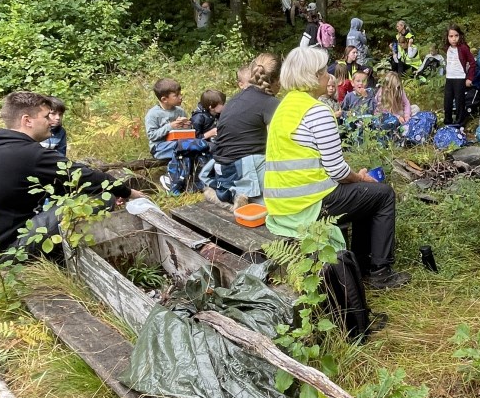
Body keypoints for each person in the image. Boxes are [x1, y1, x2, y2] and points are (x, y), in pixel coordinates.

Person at [264, 46, 408, 289]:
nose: (329, 76)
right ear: (311, 77)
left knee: (366, 196)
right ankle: (380, 272)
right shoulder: (317, 111)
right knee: (383, 195)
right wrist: (360, 177)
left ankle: (361, 265)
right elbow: (337, 171)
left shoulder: (285, 106)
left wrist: (357, 181)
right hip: (309, 204)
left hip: (281, 204)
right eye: (323, 72)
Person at [0, 91, 131, 260]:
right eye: (46, 116)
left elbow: (61, 181)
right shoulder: (30, 153)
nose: (51, 121)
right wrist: (127, 192)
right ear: (27, 120)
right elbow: (84, 176)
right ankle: (71, 257)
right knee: (101, 198)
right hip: (6, 250)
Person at [206, 53, 281, 204]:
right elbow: (279, 142)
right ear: (278, 80)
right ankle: (252, 197)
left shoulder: (235, 100)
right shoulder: (271, 103)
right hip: (247, 166)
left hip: (223, 170)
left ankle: (237, 194)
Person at [441, 24, 478, 127]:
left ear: (460, 36)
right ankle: (447, 122)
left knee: (459, 101)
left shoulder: (463, 48)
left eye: (456, 36)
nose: (454, 39)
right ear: (447, 37)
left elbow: (472, 63)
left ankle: (460, 123)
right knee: (447, 101)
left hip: (460, 78)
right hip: (449, 78)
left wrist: (469, 78)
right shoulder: (447, 48)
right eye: (451, 36)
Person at [145, 78, 190, 159]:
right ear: (164, 99)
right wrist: (170, 126)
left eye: (180, 94)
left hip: (179, 143)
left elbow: (184, 133)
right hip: (159, 147)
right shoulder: (153, 114)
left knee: (189, 146)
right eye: (176, 95)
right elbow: (152, 135)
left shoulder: (180, 111)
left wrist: (186, 126)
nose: (180, 97)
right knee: (183, 146)